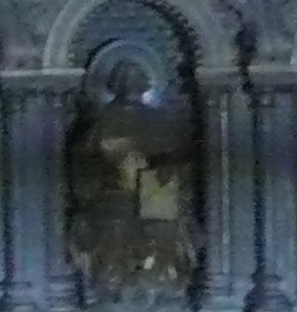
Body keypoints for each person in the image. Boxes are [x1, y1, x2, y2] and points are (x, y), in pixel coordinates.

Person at [67, 57, 199, 307]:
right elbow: (85, 160)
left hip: (157, 189)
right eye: (125, 79)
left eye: (134, 78)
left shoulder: (161, 119)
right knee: (115, 233)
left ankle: (162, 287)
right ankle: (115, 290)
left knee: (166, 232)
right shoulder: (102, 120)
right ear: (114, 84)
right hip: (114, 194)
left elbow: (178, 155)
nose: (130, 84)